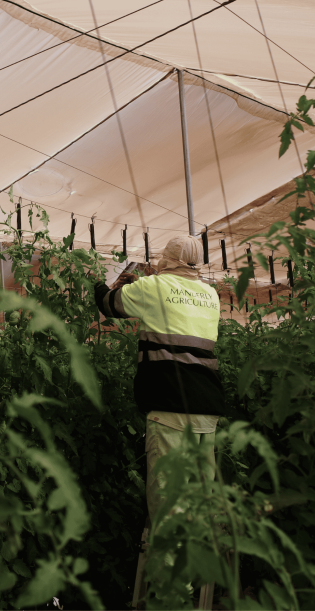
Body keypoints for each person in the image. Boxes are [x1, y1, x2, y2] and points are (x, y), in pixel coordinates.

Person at [93, 234, 224, 609]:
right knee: (196, 504)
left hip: (170, 408)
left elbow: (108, 305)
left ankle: (172, 599)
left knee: (168, 508)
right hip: (207, 411)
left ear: (166, 258)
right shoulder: (211, 295)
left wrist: (99, 278)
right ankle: (196, 588)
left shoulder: (155, 287)